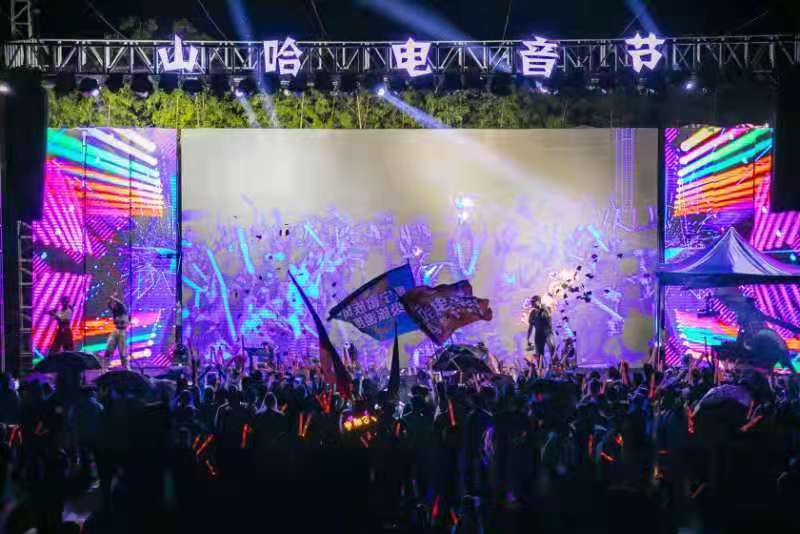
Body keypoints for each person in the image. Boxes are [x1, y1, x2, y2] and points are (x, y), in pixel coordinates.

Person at [526, 295, 555, 366]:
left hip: (548, 333)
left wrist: (543, 309)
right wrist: (528, 338)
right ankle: (540, 369)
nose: (532, 303)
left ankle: (555, 366)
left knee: (552, 350)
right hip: (538, 335)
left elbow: (549, 317)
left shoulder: (546, 309)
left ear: (538, 301)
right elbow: (530, 327)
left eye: (534, 301)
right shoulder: (532, 313)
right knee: (539, 354)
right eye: (531, 302)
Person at [104, 293, 129, 370]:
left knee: (122, 352)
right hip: (116, 330)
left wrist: (113, 298)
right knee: (109, 348)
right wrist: (109, 300)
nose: (114, 305)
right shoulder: (115, 311)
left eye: (115, 304)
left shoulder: (123, 310)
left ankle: (126, 368)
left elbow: (120, 303)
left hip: (122, 332)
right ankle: (106, 366)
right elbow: (109, 305)